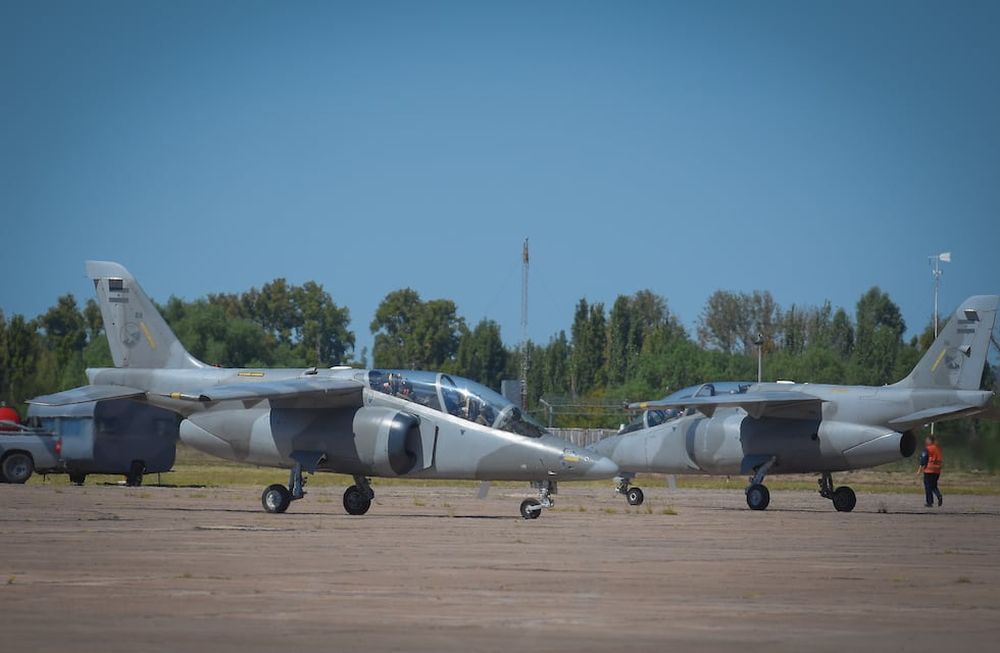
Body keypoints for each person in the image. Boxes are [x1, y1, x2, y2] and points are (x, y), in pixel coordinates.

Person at [917, 434, 943, 507]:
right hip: (937, 470)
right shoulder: (938, 448)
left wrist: (920, 469)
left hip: (929, 470)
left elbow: (923, 459)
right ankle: (939, 495)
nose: (926, 441)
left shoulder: (928, 449)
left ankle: (929, 502)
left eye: (927, 440)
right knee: (934, 485)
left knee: (928, 486)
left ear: (930, 440)